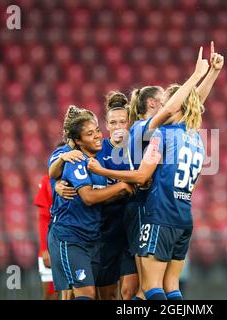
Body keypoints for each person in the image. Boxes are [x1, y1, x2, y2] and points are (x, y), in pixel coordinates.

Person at [87, 45, 224, 300]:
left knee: (146, 288)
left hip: (154, 210)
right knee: (148, 288)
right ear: (154, 104)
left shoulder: (167, 132)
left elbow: (190, 106)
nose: (177, 101)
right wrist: (199, 75)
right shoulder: (144, 128)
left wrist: (211, 74)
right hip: (148, 208)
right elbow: (181, 108)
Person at [48, 115, 134, 300]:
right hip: (70, 236)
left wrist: (124, 191)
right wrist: (121, 185)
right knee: (84, 294)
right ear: (78, 141)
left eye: (96, 130)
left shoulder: (97, 162)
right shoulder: (74, 159)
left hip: (92, 237)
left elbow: (98, 199)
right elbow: (88, 197)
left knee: (87, 294)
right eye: (89, 133)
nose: (97, 135)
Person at [95, 91, 138, 300]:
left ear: (129, 123)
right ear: (106, 125)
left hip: (131, 230)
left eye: (123, 121)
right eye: (113, 122)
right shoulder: (98, 149)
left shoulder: (138, 149)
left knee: (129, 292)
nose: (118, 126)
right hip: (105, 230)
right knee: (108, 295)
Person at [33, 174, 60, 300]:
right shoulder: (47, 180)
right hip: (53, 247)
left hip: (76, 246)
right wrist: (45, 249)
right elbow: (43, 217)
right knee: (51, 295)